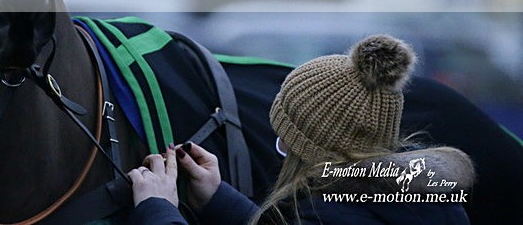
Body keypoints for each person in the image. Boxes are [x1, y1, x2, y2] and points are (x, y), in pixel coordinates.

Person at [128, 34, 475, 224]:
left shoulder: (322, 213)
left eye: (284, 140)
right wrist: (221, 200)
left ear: (307, 146)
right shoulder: (429, 202)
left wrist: (158, 207)